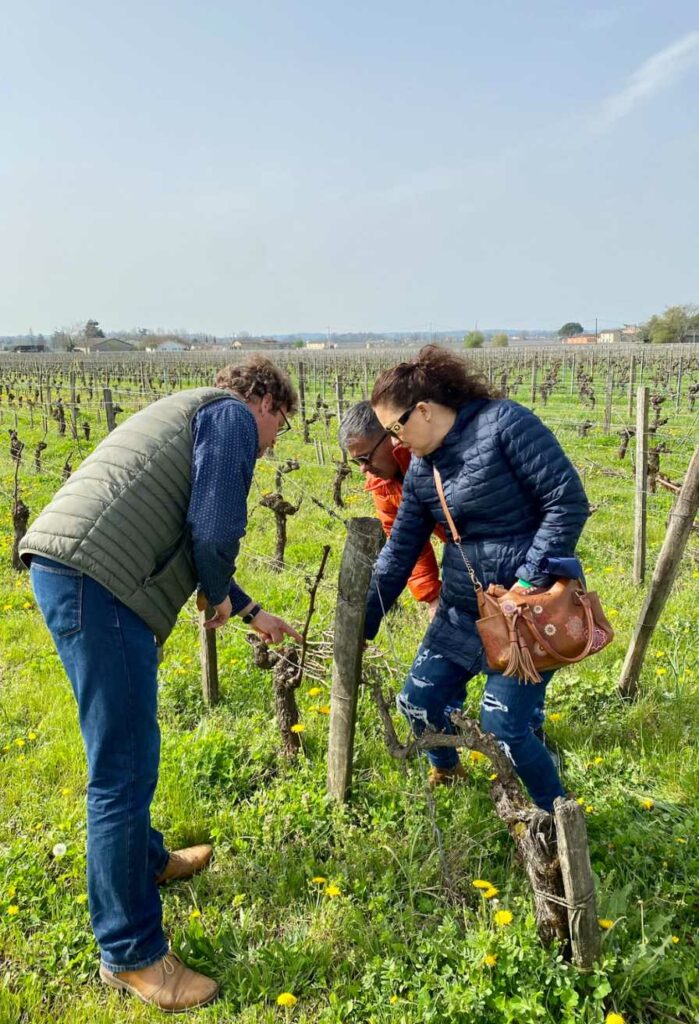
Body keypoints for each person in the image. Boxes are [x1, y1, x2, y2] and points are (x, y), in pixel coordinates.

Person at [20, 356, 303, 1012]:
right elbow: (212, 528)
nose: (271, 444)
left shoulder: (193, 411)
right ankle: (133, 955)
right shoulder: (230, 414)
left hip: (75, 570)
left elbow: (185, 529)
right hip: (97, 583)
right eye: (278, 425)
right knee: (122, 767)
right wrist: (213, 590)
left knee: (124, 748)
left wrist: (249, 610)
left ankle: (144, 860)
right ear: (261, 399)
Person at [363, 346, 589, 802]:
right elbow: (400, 551)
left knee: (503, 725)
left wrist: (527, 579)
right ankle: (447, 769)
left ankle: (554, 817)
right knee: (417, 704)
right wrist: (360, 624)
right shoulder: (424, 471)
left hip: (525, 613)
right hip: (463, 611)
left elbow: (567, 502)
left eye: (395, 427)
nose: (393, 443)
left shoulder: (505, 423)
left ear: (423, 410)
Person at [339, 401, 444, 619]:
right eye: (356, 460)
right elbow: (407, 544)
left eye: (365, 457)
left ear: (390, 435)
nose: (363, 468)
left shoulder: (432, 457)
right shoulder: (381, 483)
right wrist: (432, 595)